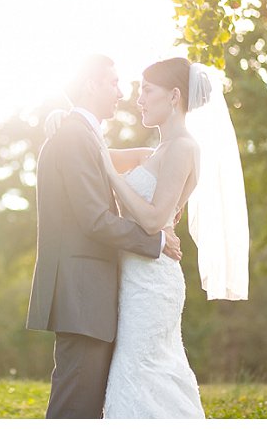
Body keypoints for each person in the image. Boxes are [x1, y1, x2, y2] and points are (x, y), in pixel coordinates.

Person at [85, 56, 249, 418]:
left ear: (174, 96)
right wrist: (64, 120)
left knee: (139, 372)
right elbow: (92, 152)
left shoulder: (185, 148)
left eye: (147, 90)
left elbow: (154, 218)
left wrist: (113, 178)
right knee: (141, 373)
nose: (138, 98)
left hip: (153, 284)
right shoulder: (155, 152)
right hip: (134, 279)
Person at [25, 54, 183, 419]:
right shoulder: (74, 136)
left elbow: (145, 161)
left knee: (85, 405)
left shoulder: (83, 134)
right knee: (74, 408)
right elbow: (94, 220)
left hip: (91, 295)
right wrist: (156, 242)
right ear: (90, 84)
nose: (121, 91)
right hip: (82, 294)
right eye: (113, 82)